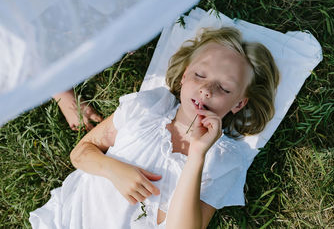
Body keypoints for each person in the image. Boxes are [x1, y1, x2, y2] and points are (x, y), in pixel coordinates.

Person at [29, 27, 280, 228]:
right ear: (183, 77)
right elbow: (81, 152)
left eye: (224, 88)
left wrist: (197, 155)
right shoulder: (147, 107)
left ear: (238, 103)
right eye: (200, 76)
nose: (207, 90)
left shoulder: (223, 161)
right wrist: (114, 170)